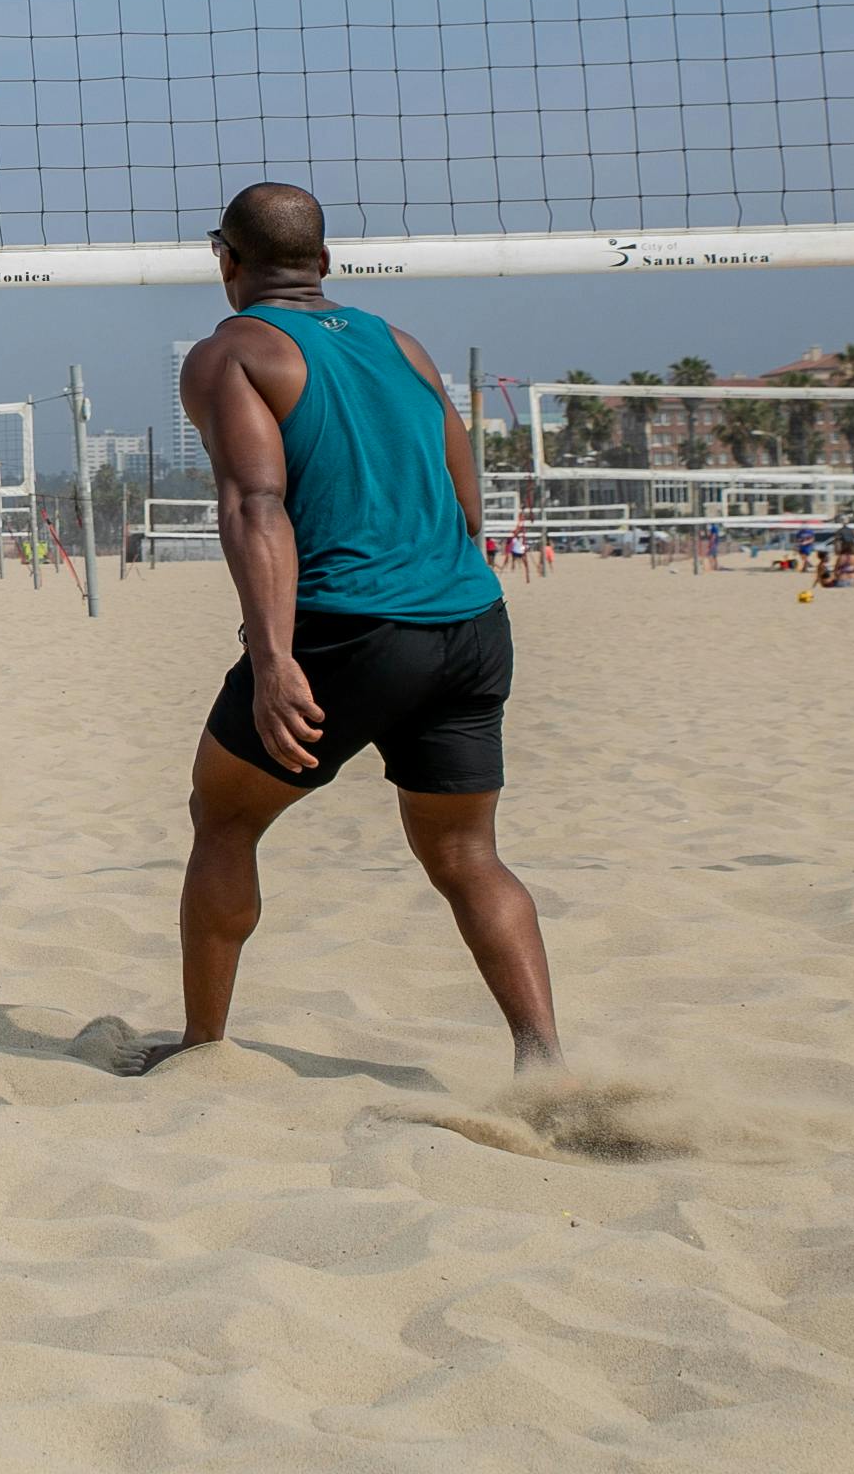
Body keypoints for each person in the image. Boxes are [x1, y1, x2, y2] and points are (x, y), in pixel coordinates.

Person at [140, 182, 561, 1078]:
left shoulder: (232, 353)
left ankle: (201, 1051)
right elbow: (468, 502)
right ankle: (545, 1060)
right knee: (467, 855)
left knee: (222, 820)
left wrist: (274, 657)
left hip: (352, 632)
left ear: (227, 262)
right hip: (471, 622)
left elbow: (257, 504)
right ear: (326, 262)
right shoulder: (401, 344)